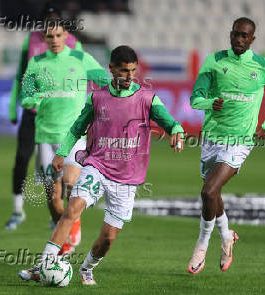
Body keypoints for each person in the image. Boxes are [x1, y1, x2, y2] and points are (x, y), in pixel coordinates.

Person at [18, 45, 184, 285]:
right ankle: (45, 264)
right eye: (124, 71)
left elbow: (170, 121)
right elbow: (77, 128)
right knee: (72, 209)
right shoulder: (97, 97)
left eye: (133, 71)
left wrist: (177, 131)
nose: (129, 76)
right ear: (111, 69)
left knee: (108, 239)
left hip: (127, 178)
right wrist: (62, 154)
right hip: (96, 165)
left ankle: (86, 269)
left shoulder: (147, 98)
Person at [187, 17, 265, 274]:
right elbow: (194, 99)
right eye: (236, 34)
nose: (240, 40)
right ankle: (226, 236)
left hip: (240, 141)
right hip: (213, 137)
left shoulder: (263, 66)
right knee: (214, 194)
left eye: (245, 36)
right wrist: (211, 103)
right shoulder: (214, 61)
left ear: (252, 39)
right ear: (230, 34)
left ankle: (202, 244)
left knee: (208, 191)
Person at [16, 21, 109, 257]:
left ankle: (72, 223)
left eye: (58, 35)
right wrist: (34, 99)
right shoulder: (36, 63)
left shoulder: (80, 58)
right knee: (52, 197)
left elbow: (106, 82)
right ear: (45, 39)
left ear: (66, 35)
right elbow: (25, 95)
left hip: (74, 135)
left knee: (71, 183)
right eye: (50, 36)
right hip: (45, 135)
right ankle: (65, 238)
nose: (55, 40)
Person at [5, 4, 83, 233]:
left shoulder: (73, 44)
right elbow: (21, 74)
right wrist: (13, 107)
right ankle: (18, 210)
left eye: (55, 19)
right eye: (47, 20)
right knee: (22, 158)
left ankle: (64, 218)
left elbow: (83, 79)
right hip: (34, 114)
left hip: (64, 119)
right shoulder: (31, 41)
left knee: (67, 173)